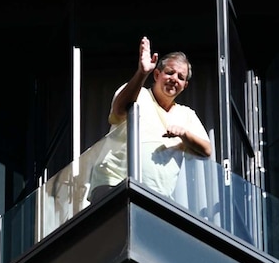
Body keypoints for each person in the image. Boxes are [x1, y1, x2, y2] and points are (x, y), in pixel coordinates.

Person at [88, 36, 212, 203]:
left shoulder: (186, 114)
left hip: (156, 197)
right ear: (156, 74)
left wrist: (184, 134)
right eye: (169, 72)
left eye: (181, 77)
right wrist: (141, 73)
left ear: (185, 85)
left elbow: (207, 150)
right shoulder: (138, 93)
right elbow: (119, 110)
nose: (174, 78)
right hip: (115, 185)